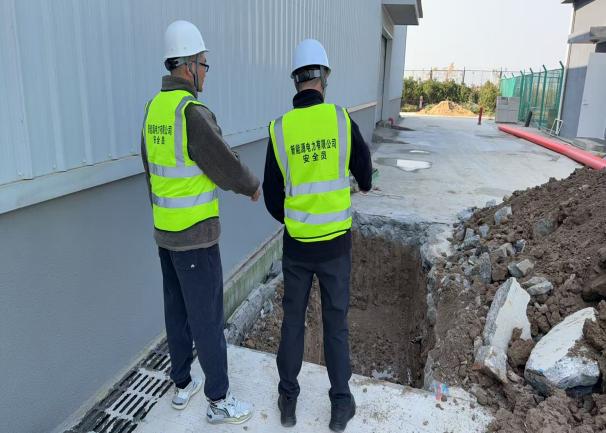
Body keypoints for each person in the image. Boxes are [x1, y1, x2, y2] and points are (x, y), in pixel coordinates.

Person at [140, 20, 260, 425]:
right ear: (189, 65)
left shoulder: (153, 110)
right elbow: (223, 162)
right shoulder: (191, 113)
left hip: (165, 234)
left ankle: (181, 384)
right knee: (207, 316)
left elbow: (150, 171)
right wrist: (251, 186)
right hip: (196, 237)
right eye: (204, 64)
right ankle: (219, 399)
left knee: (176, 310)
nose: (206, 72)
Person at [262, 39, 373, 432]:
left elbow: (272, 198)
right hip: (336, 248)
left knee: (293, 321)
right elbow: (366, 176)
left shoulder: (280, 130)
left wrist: (297, 219)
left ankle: (288, 401)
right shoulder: (341, 120)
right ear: (324, 77)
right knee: (335, 323)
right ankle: (340, 405)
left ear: (296, 80)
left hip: (297, 247)